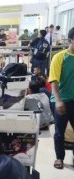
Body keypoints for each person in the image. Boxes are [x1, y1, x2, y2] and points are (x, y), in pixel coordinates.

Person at [48, 27, 74, 170]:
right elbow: (54, 81)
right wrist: (58, 100)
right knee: (60, 131)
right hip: (61, 101)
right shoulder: (59, 57)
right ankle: (59, 157)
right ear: (70, 40)